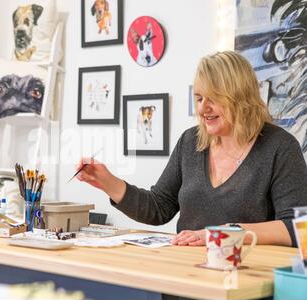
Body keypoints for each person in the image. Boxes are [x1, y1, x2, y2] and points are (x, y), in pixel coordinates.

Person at [77, 51, 307, 247]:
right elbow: (159, 207)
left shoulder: (280, 147)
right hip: (185, 275)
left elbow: (297, 227)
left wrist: (224, 234)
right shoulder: (190, 142)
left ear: (240, 97)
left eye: (213, 99)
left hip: (244, 281)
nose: (203, 108)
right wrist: (107, 182)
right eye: (198, 98)